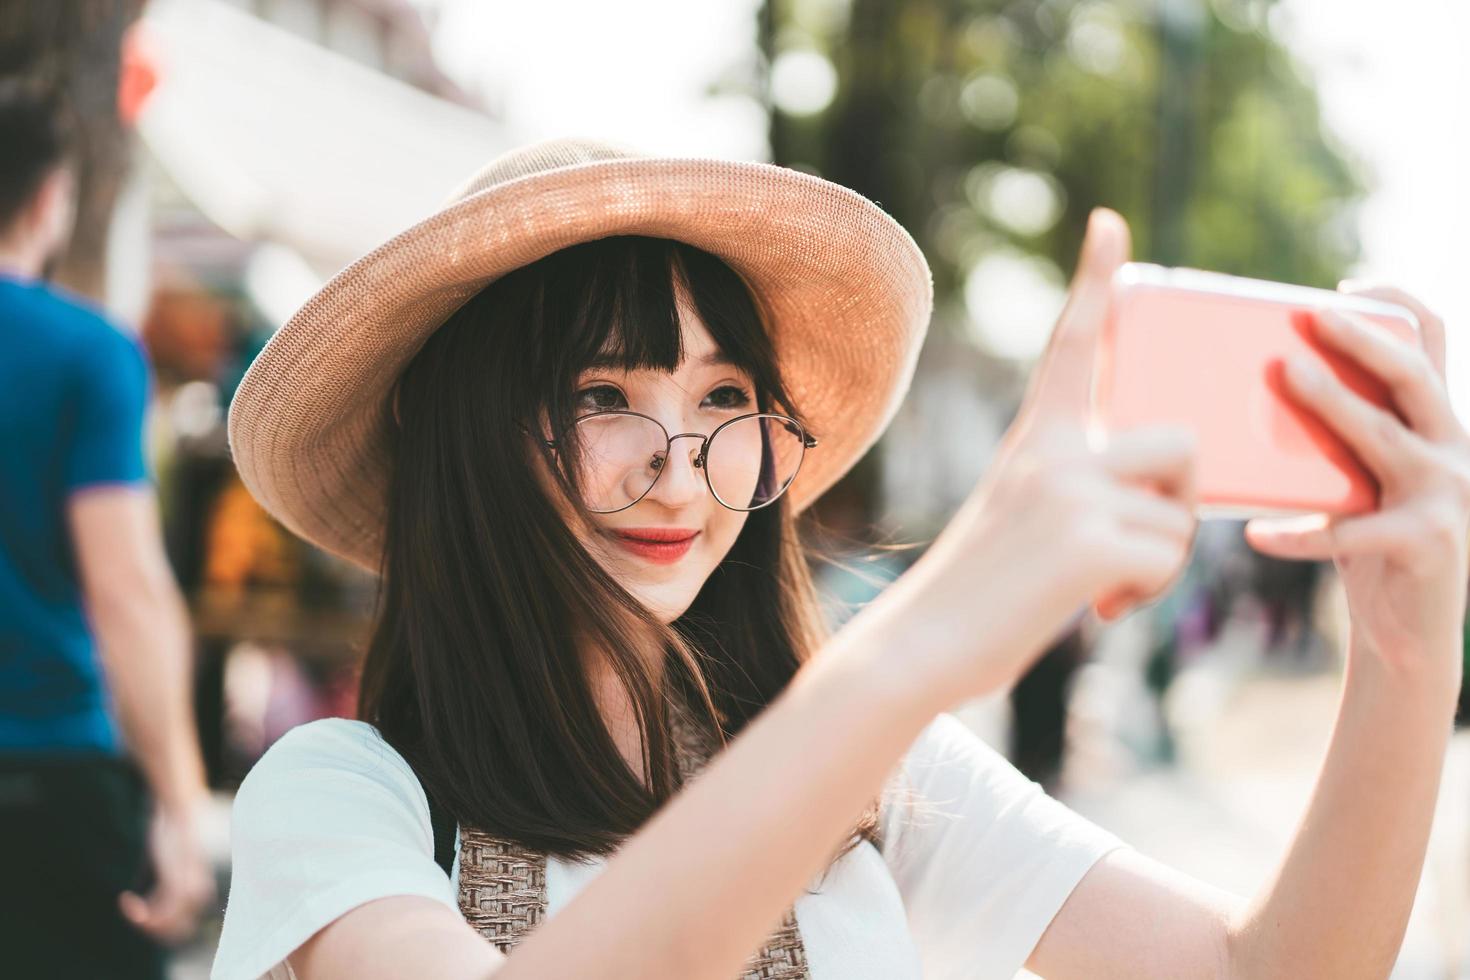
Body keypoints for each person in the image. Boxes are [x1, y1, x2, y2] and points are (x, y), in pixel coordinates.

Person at [211, 137, 1470, 980]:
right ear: (465, 446)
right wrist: (917, 647)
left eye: (724, 398)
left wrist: (1407, 657)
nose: (679, 464)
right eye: (602, 392)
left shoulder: (889, 772)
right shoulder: (342, 796)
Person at [0, 80, 216, 978]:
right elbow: (125, 591)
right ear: (49, 198)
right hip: (44, 779)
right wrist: (180, 808)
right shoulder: (84, 352)